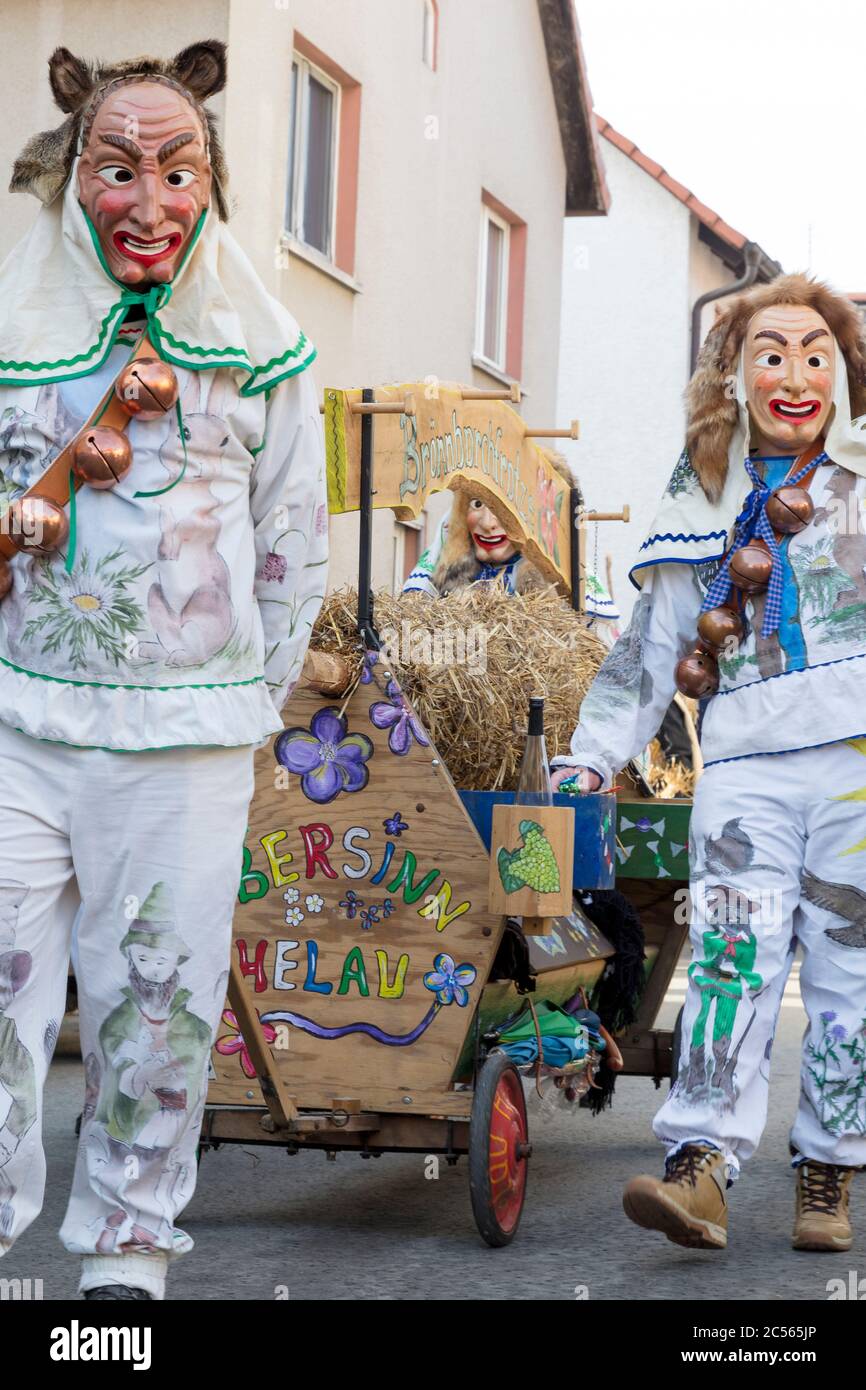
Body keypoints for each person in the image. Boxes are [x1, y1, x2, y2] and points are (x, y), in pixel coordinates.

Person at [0, 41, 326, 1299]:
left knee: (155, 1002)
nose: (148, 203)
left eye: (177, 169)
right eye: (118, 167)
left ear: (213, 179)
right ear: (71, 177)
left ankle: (127, 1264)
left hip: (186, 742)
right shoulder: (11, 329)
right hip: (18, 722)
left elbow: (295, 534)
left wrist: (247, 705)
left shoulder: (267, 348)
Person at [552, 273, 866, 1253]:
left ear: (843, 371)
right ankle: (700, 1170)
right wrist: (592, 755)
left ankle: (827, 1173)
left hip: (857, 760)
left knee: (848, 971)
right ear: (732, 375)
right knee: (730, 961)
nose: (794, 374)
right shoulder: (698, 491)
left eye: (815, 354)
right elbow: (649, 647)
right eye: (769, 353)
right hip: (742, 767)